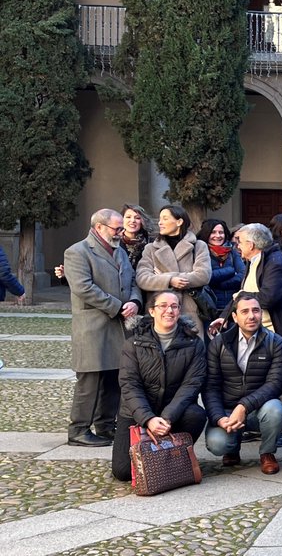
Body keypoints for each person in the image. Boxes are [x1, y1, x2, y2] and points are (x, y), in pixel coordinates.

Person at [111, 290, 207, 482]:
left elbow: (192, 384)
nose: (168, 311)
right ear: (152, 311)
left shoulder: (193, 343)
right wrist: (148, 419)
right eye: (163, 306)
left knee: (196, 415)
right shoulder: (133, 343)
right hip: (136, 412)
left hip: (173, 412)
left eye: (174, 306)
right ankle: (161, 454)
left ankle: (173, 454)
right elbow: (130, 385)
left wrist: (167, 417)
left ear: (180, 311)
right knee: (123, 472)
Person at [64, 209, 139, 447]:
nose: (121, 232)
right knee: (90, 380)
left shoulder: (120, 251)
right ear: (99, 227)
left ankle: (106, 426)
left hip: (119, 326)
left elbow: (133, 280)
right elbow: (84, 288)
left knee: (114, 377)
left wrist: (134, 302)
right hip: (93, 327)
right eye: (116, 229)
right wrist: (117, 306)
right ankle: (78, 429)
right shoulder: (77, 252)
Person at [204, 292, 282, 474]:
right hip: (227, 410)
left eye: (256, 310)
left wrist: (243, 406)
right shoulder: (218, 344)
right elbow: (210, 387)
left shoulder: (276, 342)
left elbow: (275, 384)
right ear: (235, 317)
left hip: (259, 409)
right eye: (245, 311)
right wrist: (219, 418)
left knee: (275, 410)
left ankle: (267, 453)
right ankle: (232, 449)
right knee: (217, 444)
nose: (251, 316)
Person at [136, 205, 212, 324]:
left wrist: (161, 277)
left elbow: (203, 275)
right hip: (160, 312)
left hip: (190, 311)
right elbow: (142, 279)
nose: (160, 223)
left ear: (179, 221)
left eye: (165, 218)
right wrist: (170, 280)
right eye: (160, 219)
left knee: (190, 342)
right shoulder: (150, 248)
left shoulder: (198, 246)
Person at [231, 223, 282, 348]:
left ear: (250, 245)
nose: (238, 246)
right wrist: (223, 318)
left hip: (277, 337)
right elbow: (242, 292)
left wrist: (242, 296)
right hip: (258, 334)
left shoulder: (275, 263)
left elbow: (267, 298)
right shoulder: (253, 260)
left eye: (240, 242)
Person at [197, 219, 244, 311]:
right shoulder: (199, 251)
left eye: (221, 232)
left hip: (232, 305)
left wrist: (222, 284)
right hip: (209, 306)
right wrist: (231, 271)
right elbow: (205, 276)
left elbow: (243, 274)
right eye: (213, 232)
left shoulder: (232, 250)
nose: (218, 236)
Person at [116, 204, 154, 271]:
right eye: (128, 217)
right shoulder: (114, 242)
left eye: (137, 218)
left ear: (142, 221)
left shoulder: (151, 243)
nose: (133, 221)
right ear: (122, 220)